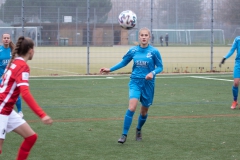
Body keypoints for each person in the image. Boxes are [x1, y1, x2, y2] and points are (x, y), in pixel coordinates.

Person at [99, 27, 163, 144]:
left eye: (146, 35)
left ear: (149, 37)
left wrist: (152, 73)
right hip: (135, 82)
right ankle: (124, 135)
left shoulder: (154, 52)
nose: (144, 37)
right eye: (142, 35)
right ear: (139, 37)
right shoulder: (133, 50)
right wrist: (110, 69)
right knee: (132, 107)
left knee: (144, 112)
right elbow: (123, 62)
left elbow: (160, 67)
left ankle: (138, 129)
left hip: (148, 84)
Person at [0, 36, 53, 159]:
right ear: (30, 50)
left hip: (6, 110)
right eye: (33, 49)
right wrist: (42, 114)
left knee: (31, 137)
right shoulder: (22, 66)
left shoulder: (14, 63)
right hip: (1, 110)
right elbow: (25, 93)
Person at [0, 33, 23, 118]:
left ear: (10, 39)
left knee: (14, 94)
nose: (6, 39)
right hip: (1, 78)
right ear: (2, 39)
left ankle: (20, 111)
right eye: (5, 38)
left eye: (8, 38)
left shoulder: (13, 50)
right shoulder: (0, 50)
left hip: (11, 77)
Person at [219, 36, 240, 109]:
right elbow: (232, 50)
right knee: (236, 83)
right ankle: (235, 101)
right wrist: (224, 58)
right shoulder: (237, 39)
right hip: (238, 63)